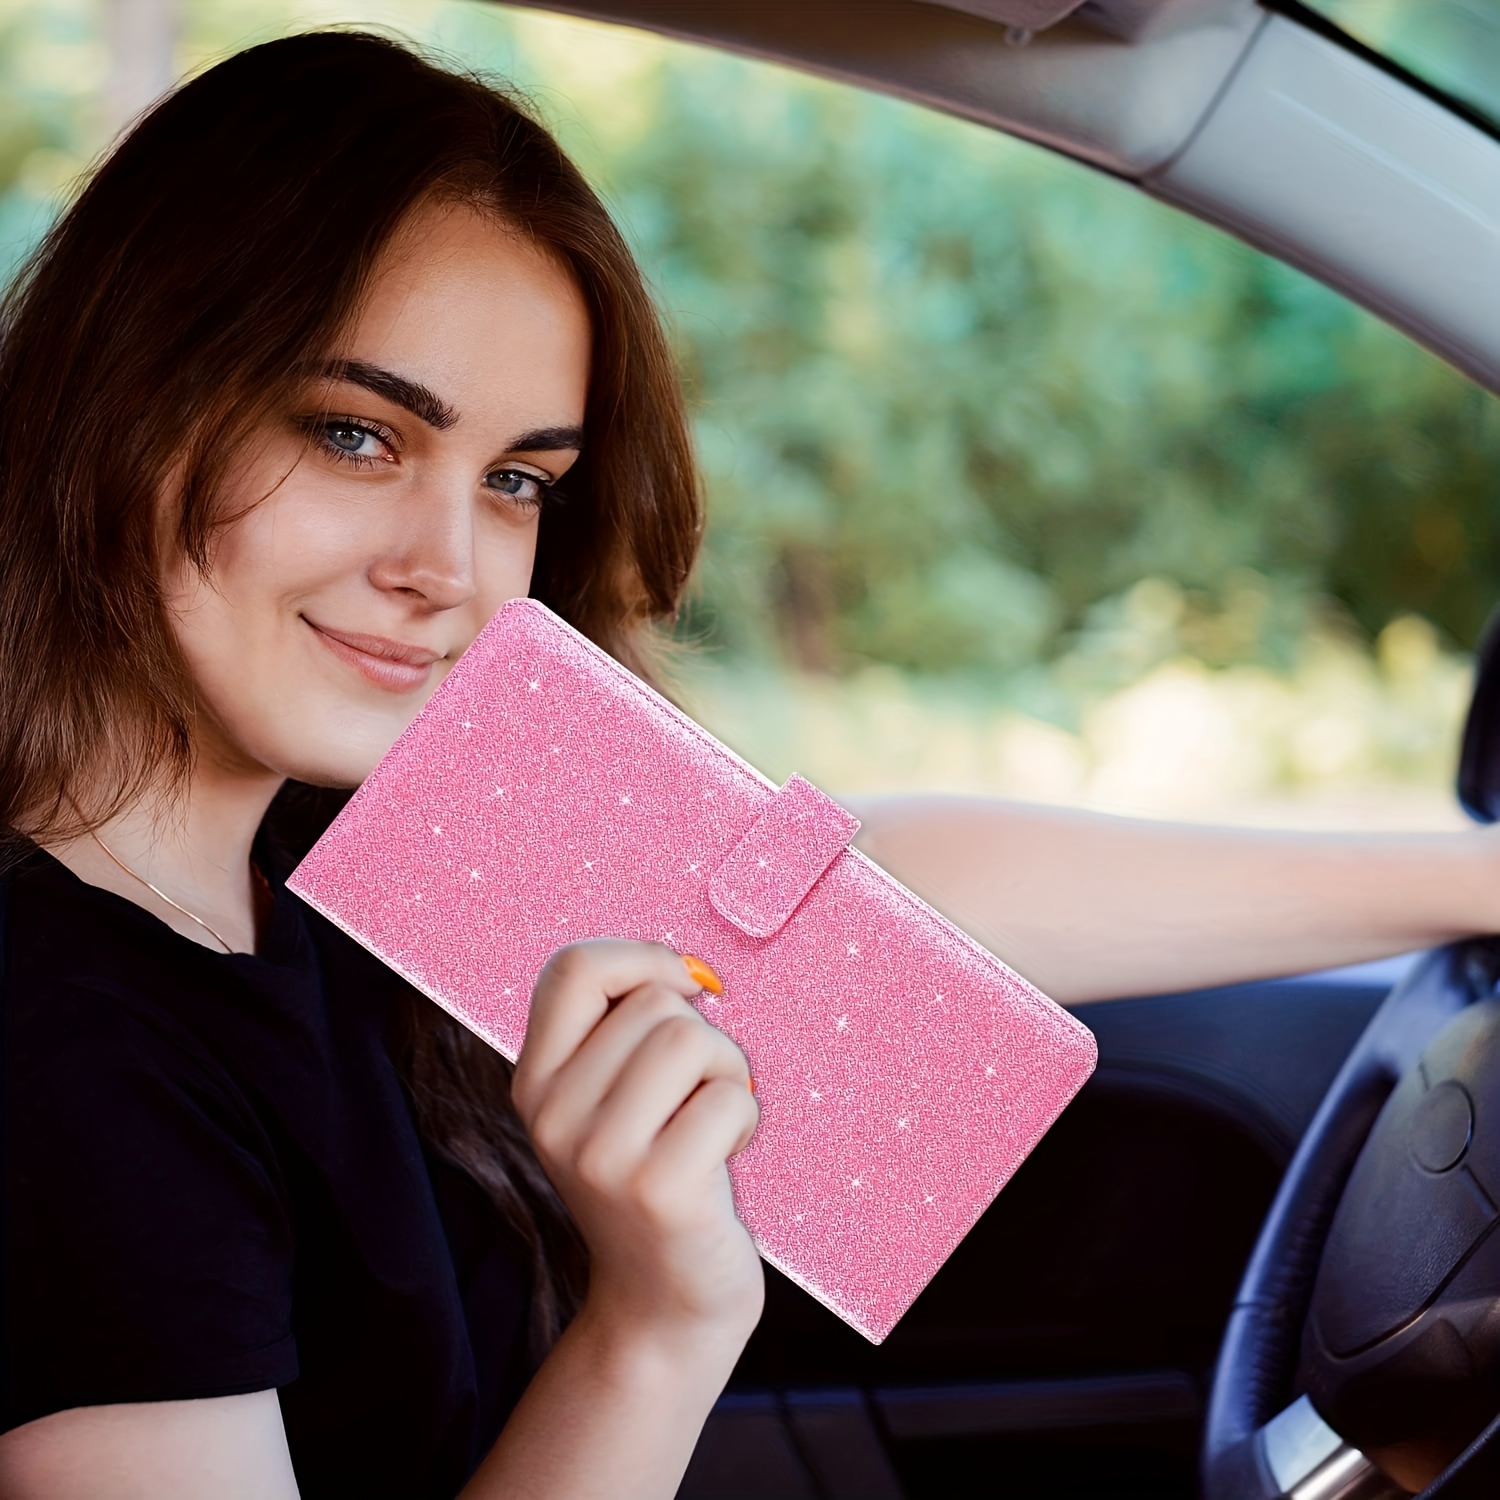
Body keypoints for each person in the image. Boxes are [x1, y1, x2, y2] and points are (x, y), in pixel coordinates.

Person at [0, 28, 1496, 1500]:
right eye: (355, 435)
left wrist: (1472, 880)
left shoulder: (327, 838)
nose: (448, 568)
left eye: (517, 479)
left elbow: (819, 893)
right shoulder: (63, 1055)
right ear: (128, 399)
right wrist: (662, 1322)